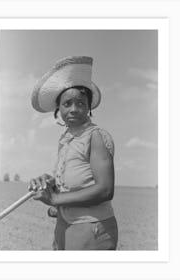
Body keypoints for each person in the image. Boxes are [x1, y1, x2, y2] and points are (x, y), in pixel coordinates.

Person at [29, 56, 118, 250]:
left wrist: (54, 199)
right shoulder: (67, 139)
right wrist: (50, 183)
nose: (74, 109)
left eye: (81, 103)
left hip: (91, 229)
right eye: (67, 103)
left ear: (88, 107)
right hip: (65, 225)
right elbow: (76, 180)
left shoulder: (96, 137)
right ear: (58, 109)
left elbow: (105, 189)